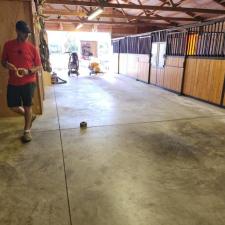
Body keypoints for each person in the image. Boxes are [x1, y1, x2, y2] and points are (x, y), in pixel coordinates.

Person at [1, 20, 42, 143]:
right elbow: (3, 61)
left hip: (29, 81)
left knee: (28, 106)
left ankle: (27, 131)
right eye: (25, 33)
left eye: (28, 34)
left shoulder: (32, 48)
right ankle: (29, 116)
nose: (27, 36)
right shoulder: (8, 45)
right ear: (18, 31)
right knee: (13, 106)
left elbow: (39, 66)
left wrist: (28, 71)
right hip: (13, 82)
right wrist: (7, 65)